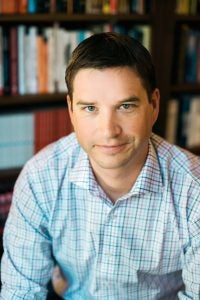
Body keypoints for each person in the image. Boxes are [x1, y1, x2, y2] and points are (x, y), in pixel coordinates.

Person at [1, 32, 200, 300]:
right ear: (71, 110)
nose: (108, 131)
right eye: (90, 108)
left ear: (153, 105)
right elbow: (20, 291)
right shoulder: (40, 178)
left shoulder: (193, 190)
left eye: (126, 106)